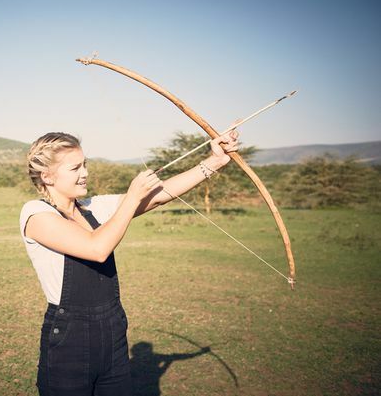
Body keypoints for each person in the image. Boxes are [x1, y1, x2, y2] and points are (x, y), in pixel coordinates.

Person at [20, 130, 239, 396]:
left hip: (112, 330)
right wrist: (133, 196)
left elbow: (160, 194)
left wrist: (214, 161)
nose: (85, 173)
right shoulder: (36, 214)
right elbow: (97, 248)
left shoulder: (92, 207)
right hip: (69, 338)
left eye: (85, 164)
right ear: (47, 176)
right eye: (75, 167)